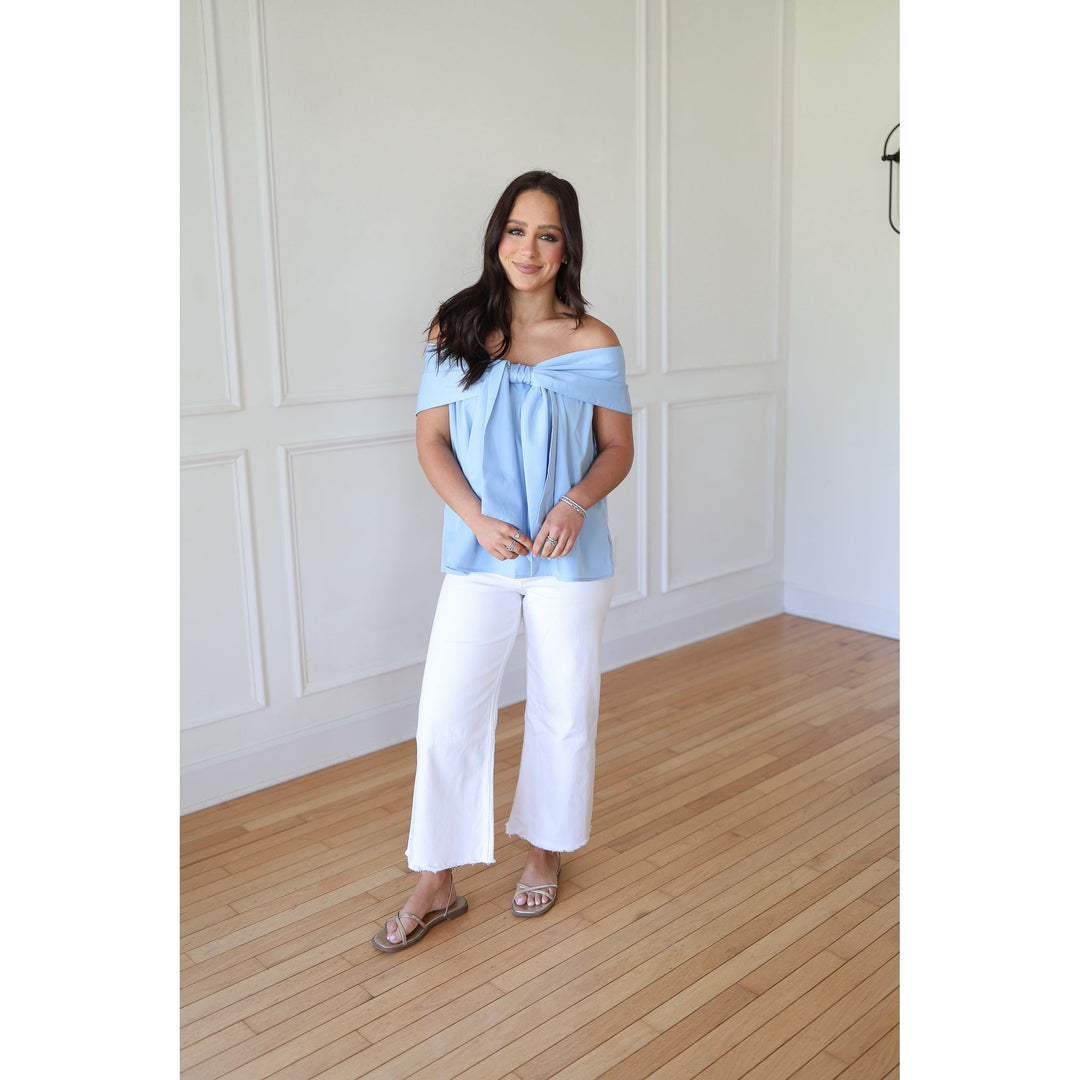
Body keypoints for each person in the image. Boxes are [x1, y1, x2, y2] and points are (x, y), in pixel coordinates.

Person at [372, 170, 634, 952]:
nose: (529, 248)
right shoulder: (454, 328)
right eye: (517, 230)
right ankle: (437, 877)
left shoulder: (593, 342)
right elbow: (431, 440)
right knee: (446, 714)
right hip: (480, 555)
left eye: (547, 234)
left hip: (570, 558)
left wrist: (575, 503)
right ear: (497, 236)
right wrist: (476, 519)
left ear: (567, 247)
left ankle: (545, 851)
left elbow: (617, 449)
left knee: (563, 707)